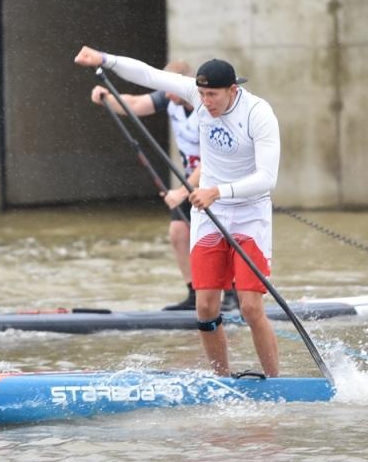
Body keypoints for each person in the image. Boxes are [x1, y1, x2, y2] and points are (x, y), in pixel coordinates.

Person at [76, 46, 281, 376]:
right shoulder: (195, 96)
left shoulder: (258, 113)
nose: (206, 101)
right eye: (201, 94)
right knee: (204, 307)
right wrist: (103, 59)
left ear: (233, 90)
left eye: (213, 95)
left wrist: (217, 191)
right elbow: (147, 73)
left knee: (250, 307)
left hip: (249, 214)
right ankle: (222, 381)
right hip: (210, 214)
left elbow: (266, 179)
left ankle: (275, 382)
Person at [91, 60, 237, 312]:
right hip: (191, 183)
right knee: (178, 233)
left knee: (218, 238)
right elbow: (135, 104)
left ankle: (232, 295)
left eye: (172, 87)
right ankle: (194, 294)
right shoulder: (170, 99)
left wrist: (182, 192)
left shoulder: (211, 108)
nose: (167, 93)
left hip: (218, 182)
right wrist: (107, 98)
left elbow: (210, 162)